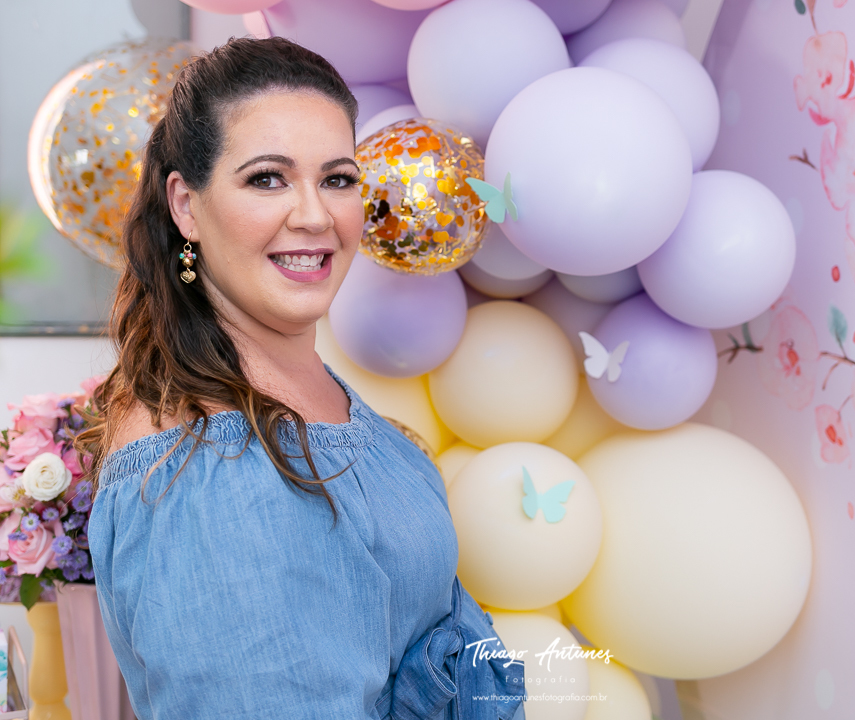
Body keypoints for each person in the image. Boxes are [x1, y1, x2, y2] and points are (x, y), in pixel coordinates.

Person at [78, 37, 526, 720]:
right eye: (267, 178)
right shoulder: (207, 472)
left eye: (338, 179)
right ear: (186, 206)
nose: (315, 216)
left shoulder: (323, 400)